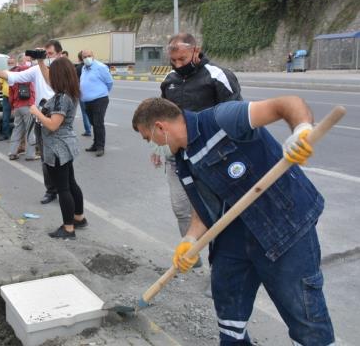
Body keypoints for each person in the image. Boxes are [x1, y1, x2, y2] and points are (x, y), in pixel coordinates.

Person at [132, 96, 334, 345]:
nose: (150, 145)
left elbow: (287, 104)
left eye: (146, 138)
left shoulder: (222, 119)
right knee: (228, 305)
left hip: (285, 226)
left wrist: (302, 130)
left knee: (304, 316)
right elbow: (207, 208)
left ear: (160, 127)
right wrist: (190, 239)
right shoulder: (183, 160)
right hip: (236, 234)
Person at [158, 33, 242, 268]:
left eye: (182, 59)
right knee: (181, 208)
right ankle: (191, 252)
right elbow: (164, 116)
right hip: (179, 157)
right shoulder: (170, 80)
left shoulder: (218, 76)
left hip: (213, 159)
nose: (178, 65)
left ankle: (221, 267)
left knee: (217, 214)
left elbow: (236, 115)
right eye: (173, 60)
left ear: (196, 51)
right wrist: (159, 145)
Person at [0, 39, 60, 204]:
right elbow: (16, 76)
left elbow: (56, 84)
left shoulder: (63, 69)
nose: (46, 57)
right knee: (45, 159)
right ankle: (51, 190)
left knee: (60, 158)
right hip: (42, 118)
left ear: (59, 55)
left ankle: (64, 189)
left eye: (49, 54)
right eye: (44, 53)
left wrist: (42, 62)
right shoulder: (36, 70)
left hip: (59, 119)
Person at [29, 57, 86, 239]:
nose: (49, 78)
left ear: (58, 76)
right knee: (71, 183)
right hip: (65, 145)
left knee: (63, 188)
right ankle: (79, 217)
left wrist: (37, 112)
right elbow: (46, 77)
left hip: (57, 148)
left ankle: (68, 229)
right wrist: (40, 62)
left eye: (53, 75)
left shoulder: (62, 98)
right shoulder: (70, 92)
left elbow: (53, 125)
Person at [80, 50, 113, 156]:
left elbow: (109, 82)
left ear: (93, 56)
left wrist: (101, 92)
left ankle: (100, 147)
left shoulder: (101, 67)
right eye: (84, 57)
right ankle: (95, 144)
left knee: (98, 123)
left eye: (89, 56)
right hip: (87, 101)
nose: (87, 58)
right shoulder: (84, 68)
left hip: (99, 99)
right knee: (93, 123)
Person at [7, 54, 36, 160]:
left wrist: (12, 107)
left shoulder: (12, 74)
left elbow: (10, 93)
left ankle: (12, 152)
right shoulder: (28, 71)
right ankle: (30, 155)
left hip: (17, 106)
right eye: (27, 60)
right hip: (28, 105)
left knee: (17, 130)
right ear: (23, 61)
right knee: (30, 129)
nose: (29, 61)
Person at [0, 57, 16, 141]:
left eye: (12, 63)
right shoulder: (3, 73)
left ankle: (17, 136)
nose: (10, 65)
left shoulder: (19, 72)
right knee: (6, 116)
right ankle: (5, 134)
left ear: (15, 63)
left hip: (17, 97)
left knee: (18, 116)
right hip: (6, 97)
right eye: (9, 63)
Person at [74, 51, 92, 137]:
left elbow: (75, 81)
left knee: (84, 112)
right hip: (91, 92)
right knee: (91, 111)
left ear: (78, 58)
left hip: (82, 93)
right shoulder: (89, 67)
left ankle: (88, 130)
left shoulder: (77, 68)